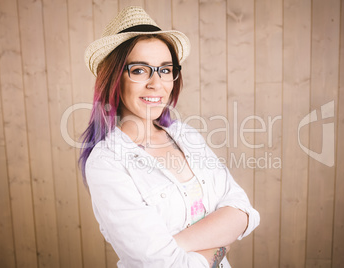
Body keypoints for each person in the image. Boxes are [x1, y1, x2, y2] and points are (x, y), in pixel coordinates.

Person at [80, 6, 260, 268]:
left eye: (165, 69)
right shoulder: (106, 162)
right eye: (140, 70)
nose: (157, 83)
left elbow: (244, 212)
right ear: (114, 78)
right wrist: (218, 249)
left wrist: (171, 246)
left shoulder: (186, 136)